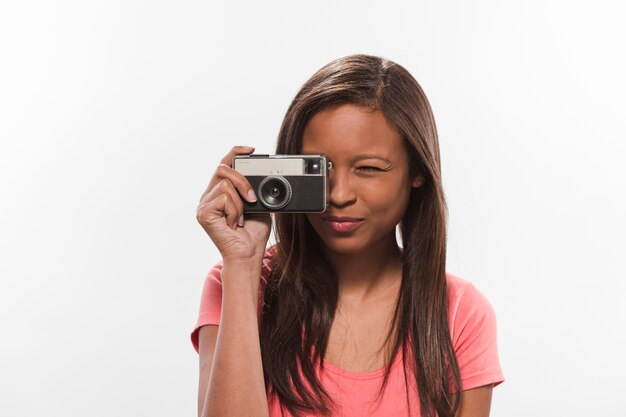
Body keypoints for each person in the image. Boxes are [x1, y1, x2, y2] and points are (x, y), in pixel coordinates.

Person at [191, 54, 505, 417]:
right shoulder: (234, 283)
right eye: (318, 169)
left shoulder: (460, 314)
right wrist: (243, 267)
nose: (339, 194)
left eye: (368, 168)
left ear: (416, 171)